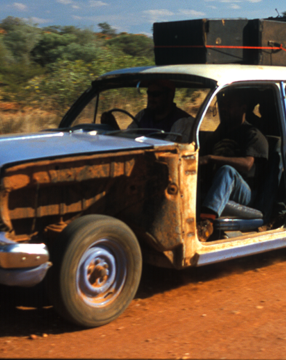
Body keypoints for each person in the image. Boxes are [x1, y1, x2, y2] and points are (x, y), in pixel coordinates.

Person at [197, 90, 269, 241]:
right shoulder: (221, 132)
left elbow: (247, 164)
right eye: (222, 105)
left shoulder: (252, 134)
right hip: (219, 184)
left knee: (227, 171)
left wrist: (211, 158)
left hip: (244, 192)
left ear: (243, 108)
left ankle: (206, 223)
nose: (224, 109)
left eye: (229, 106)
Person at [101, 80, 193, 138]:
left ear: (169, 96)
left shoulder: (183, 121)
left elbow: (170, 151)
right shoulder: (143, 115)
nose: (151, 99)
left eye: (156, 94)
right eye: (149, 94)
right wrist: (113, 128)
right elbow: (128, 138)